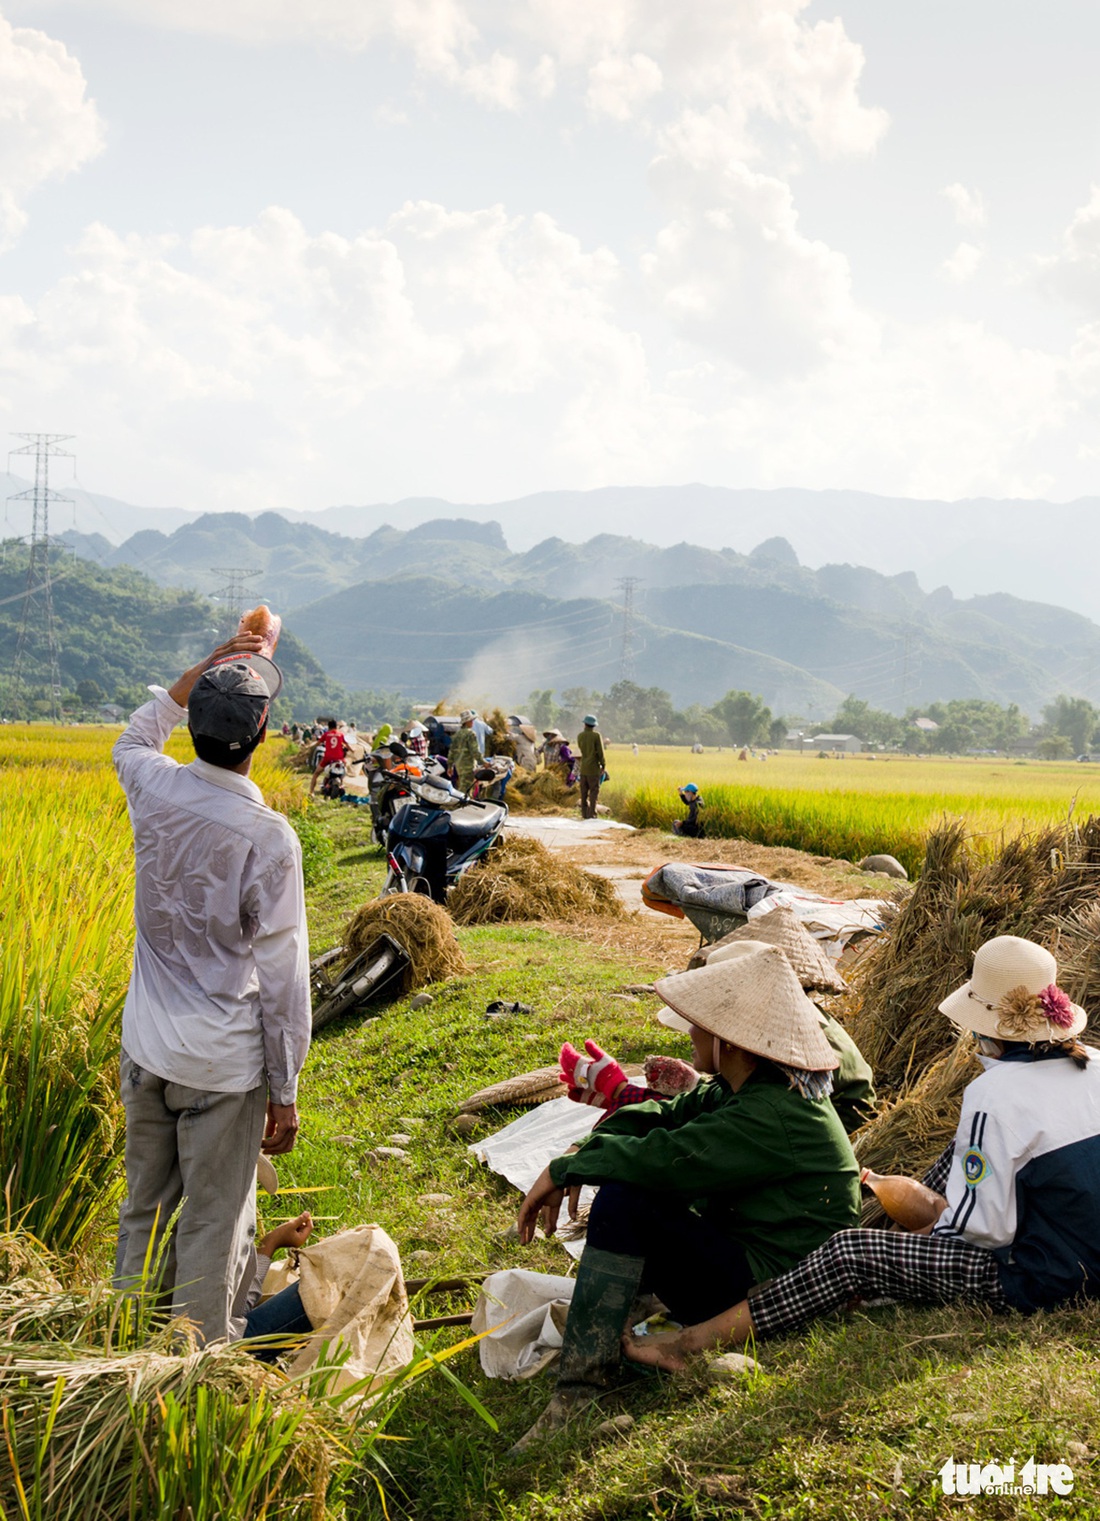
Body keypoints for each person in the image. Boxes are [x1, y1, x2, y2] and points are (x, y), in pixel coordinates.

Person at [624, 935, 1100, 1374]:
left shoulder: (993, 1094)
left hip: (1045, 1277)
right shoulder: (1093, 1063)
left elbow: (987, 1231)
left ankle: (690, 1344)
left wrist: (931, 1224)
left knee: (851, 1252)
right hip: (1085, 1250)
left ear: (985, 1027)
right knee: (955, 1156)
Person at [509, 945, 859, 1451]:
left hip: (768, 1291)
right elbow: (660, 1118)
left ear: (729, 1042)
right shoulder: (742, 1089)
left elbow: (664, 1156)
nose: (689, 1032)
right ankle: (610, 1333)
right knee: (634, 1190)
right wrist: (579, 1150)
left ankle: (581, 1389)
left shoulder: (772, 1114)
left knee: (627, 1200)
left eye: (699, 1025)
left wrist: (568, 1169)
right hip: (743, 1258)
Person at [111, 633, 311, 1345]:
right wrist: (284, 1089)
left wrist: (215, 658)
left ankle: (121, 1356)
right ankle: (185, 1383)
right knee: (211, 1227)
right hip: (222, 1071)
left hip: (148, 1051)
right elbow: (284, 975)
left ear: (193, 720)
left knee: (144, 1211)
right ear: (261, 731)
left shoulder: (151, 784)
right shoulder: (268, 836)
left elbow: (141, 727)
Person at [561, 938, 876, 1138]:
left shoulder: (787, 1077)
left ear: (729, 1035)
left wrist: (580, 1161)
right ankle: (621, 1093)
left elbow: (687, 1145)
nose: (689, 1032)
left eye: (700, 1022)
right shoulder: (772, 1056)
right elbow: (701, 1104)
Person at [576, 714, 605, 819]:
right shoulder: (596, 736)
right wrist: (603, 764)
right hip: (593, 769)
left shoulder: (580, 736)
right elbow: (600, 752)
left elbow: (582, 749)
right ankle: (592, 814)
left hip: (583, 768)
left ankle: (584, 814)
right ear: (594, 726)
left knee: (583, 792)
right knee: (593, 792)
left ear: (585, 724)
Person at [310, 717, 348, 796]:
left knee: (316, 774)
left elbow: (317, 743)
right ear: (336, 726)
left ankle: (311, 792)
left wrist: (310, 747)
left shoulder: (326, 734)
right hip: (340, 758)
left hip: (328, 758)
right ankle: (341, 784)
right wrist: (352, 749)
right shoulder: (341, 734)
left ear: (328, 727)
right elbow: (347, 745)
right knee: (344, 769)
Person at [448, 708, 482, 793]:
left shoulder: (457, 735)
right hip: (468, 767)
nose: (472, 722)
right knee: (466, 791)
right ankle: (460, 805)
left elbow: (452, 752)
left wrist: (450, 766)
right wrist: (483, 762)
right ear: (467, 722)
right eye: (471, 720)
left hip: (459, 767)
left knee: (463, 787)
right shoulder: (470, 734)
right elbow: (475, 752)